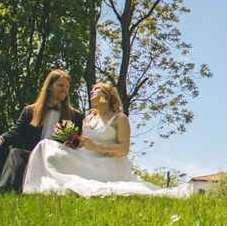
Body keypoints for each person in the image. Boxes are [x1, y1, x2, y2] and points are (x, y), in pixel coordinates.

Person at [22, 82, 190, 197]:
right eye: (91, 90)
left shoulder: (119, 119)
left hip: (108, 165)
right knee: (47, 146)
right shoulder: (87, 119)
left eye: (96, 90)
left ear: (107, 95)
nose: (91, 92)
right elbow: (83, 145)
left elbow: (123, 150)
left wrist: (95, 146)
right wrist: (70, 140)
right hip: (86, 159)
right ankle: (37, 188)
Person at [0, 70, 84, 192]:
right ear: (49, 86)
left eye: (67, 87)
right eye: (60, 85)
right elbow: (16, 131)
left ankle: (4, 189)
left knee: (16, 152)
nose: (64, 90)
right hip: (28, 160)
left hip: (51, 163)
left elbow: (76, 144)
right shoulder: (30, 111)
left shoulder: (75, 116)